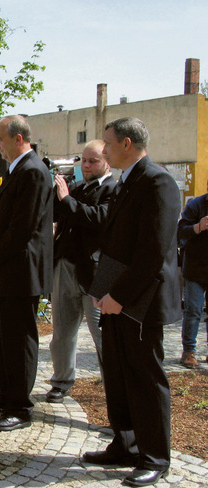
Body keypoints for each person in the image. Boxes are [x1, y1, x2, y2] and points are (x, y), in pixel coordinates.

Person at [82, 117, 181, 487]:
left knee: (145, 378)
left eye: (107, 144)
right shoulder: (127, 181)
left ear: (126, 143)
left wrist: (120, 297)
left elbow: (154, 252)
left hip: (141, 302)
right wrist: (102, 288)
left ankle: (155, 456)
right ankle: (124, 443)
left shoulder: (157, 181)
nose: (102, 150)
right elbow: (118, 243)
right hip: (116, 298)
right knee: (119, 376)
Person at [0, 115, 53, 431]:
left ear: (18, 138)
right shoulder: (17, 168)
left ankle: (20, 407)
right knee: (4, 336)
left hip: (22, 269)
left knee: (19, 338)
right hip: (8, 268)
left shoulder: (33, 171)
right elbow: (3, 220)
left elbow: (23, 227)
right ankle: (8, 392)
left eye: (0, 139)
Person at [46, 140, 116, 403]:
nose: (86, 166)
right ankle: (61, 381)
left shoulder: (113, 189)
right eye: (83, 161)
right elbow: (53, 213)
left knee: (102, 337)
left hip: (96, 272)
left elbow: (97, 219)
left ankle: (114, 392)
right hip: (65, 266)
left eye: (92, 161)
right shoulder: (74, 188)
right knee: (62, 331)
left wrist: (66, 200)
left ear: (106, 162)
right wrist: (55, 191)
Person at [177, 177, 208, 368]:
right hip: (196, 268)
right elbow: (180, 231)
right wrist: (198, 227)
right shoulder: (196, 205)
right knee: (193, 311)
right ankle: (189, 351)